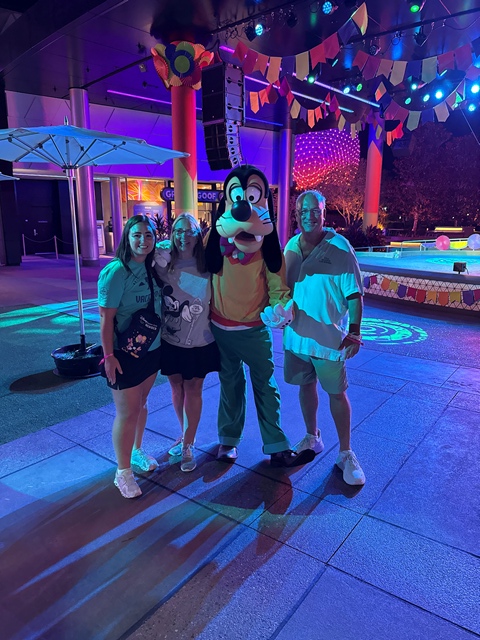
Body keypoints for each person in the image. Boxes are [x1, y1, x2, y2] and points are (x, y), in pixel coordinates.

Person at [205, 165, 315, 468]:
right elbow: (189, 259)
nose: (244, 207)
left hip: (254, 330)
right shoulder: (213, 239)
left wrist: (281, 308)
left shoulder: (268, 246)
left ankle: (276, 445)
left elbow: (278, 286)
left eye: (252, 197)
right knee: (230, 386)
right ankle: (228, 439)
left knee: (265, 387)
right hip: (221, 329)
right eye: (238, 197)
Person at [283, 190, 366, 486]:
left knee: (336, 394)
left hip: (329, 341)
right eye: (303, 210)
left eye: (314, 210)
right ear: (296, 214)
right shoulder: (291, 246)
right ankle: (312, 436)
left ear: (323, 212)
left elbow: (355, 295)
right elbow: (284, 290)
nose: (309, 215)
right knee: (305, 387)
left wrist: (354, 331)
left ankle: (346, 453)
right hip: (296, 339)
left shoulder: (340, 247)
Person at [98, 214, 162, 499]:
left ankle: (136, 451)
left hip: (152, 349)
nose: (143, 241)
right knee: (127, 412)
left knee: (141, 404)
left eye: (148, 235)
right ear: (127, 237)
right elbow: (105, 319)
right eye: (137, 235)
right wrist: (108, 356)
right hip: (124, 354)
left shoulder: (152, 267)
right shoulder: (116, 272)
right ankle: (122, 472)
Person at [154, 213, 221, 473]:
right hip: (171, 339)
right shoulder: (163, 263)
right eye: (178, 231)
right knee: (176, 388)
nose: (183, 236)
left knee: (193, 389)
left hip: (200, 341)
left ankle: (189, 443)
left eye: (189, 231)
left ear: (197, 233)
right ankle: (184, 434)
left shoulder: (207, 264)